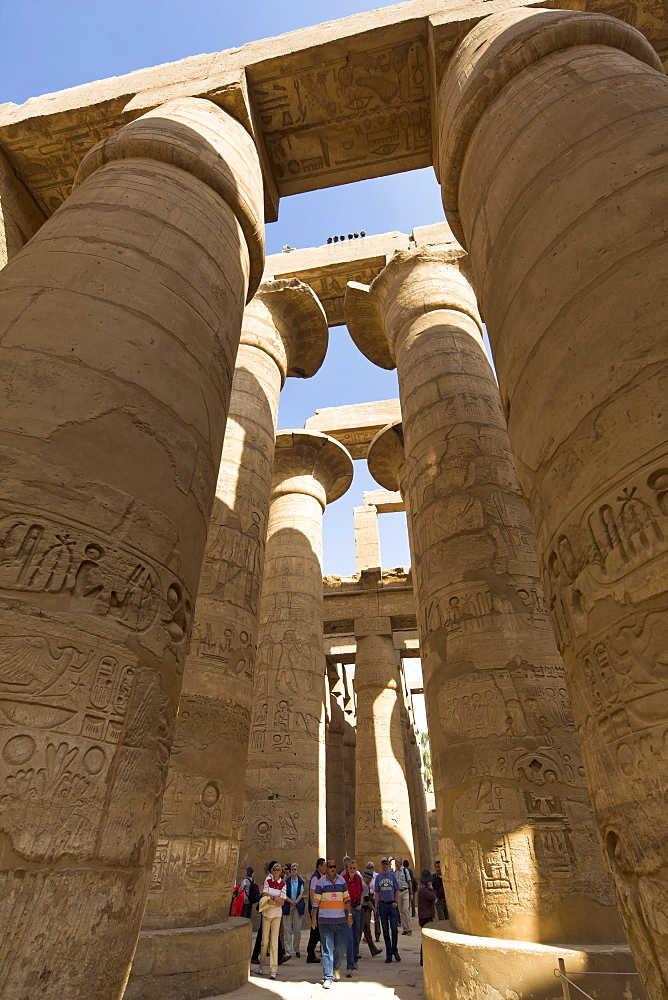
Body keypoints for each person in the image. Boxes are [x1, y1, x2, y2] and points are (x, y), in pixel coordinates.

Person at [311, 859, 353, 989]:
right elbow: (315, 902)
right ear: (326, 868)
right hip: (325, 921)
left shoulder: (342, 881)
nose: (332, 869)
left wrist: (349, 915)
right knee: (327, 949)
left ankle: (335, 968)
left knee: (340, 948)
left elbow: (346, 898)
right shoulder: (320, 882)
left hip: (340, 921)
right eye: (330, 867)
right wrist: (314, 918)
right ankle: (327, 977)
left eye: (334, 866)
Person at [258, 861, 287, 980]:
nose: (276, 872)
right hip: (267, 913)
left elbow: (282, 901)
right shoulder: (268, 881)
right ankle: (262, 963)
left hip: (276, 915)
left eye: (278, 870)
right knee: (264, 941)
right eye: (274, 870)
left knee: (274, 943)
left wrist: (273, 899)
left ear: (280, 872)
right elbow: (265, 893)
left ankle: (273, 969)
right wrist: (275, 899)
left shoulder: (283, 884)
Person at [374, 857, 401, 963]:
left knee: (394, 929)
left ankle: (395, 950)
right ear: (381, 865)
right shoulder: (378, 877)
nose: (385, 865)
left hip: (391, 905)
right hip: (383, 905)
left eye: (386, 864)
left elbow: (397, 890)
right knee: (385, 931)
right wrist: (376, 907)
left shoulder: (392, 876)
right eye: (383, 864)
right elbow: (377, 893)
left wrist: (396, 902)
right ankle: (389, 954)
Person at [342, 859, 363, 976]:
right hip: (347, 910)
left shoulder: (358, 879)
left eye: (354, 868)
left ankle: (355, 958)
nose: (352, 870)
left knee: (356, 936)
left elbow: (361, 891)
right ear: (347, 869)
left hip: (356, 909)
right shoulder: (343, 879)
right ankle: (349, 966)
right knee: (349, 938)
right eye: (350, 868)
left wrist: (360, 903)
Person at [306, 858, 327, 963]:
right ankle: (310, 953)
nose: (325, 867)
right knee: (315, 931)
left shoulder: (321, 876)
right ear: (319, 866)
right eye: (324, 865)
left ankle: (312, 952)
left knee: (317, 931)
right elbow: (312, 893)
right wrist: (314, 907)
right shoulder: (315, 877)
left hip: (320, 908)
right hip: (317, 908)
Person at [282, 862, 305, 958]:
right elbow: (284, 894)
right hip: (288, 906)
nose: (294, 871)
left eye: (295, 869)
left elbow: (301, 893)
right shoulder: (286, 882)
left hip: (297, 907)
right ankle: (288, 951)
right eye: (292, 869)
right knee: (287, 929)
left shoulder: (300, 881)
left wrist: (295, 902)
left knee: (297, 929)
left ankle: (297, 948)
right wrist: (291, 902)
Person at [417, 870, 438, 966]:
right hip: (426, 916)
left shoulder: (422, 889)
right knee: (425, 940)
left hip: (424, 915)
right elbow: (433, 897)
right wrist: (431, 888)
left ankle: (423, 959)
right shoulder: (424, 889)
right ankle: (423, 959)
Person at [360, 869, 382, 957]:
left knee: (367, 930)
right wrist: (373, 908)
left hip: (364, 909)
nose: (370, 880)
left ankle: (373, 949)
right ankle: (354, 951)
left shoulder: (365, 884)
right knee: (359, 931)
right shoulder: (364, 885)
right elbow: (366, 900)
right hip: (362, 909)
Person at [391, 857, 413, 935]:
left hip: (405, 891)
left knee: (406, 909)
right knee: (401, 911)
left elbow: (409, 882)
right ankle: (405, 928)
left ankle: (409, 928)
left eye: (396, 862)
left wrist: (411, 893)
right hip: (398, 892)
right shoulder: (395, 872)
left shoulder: (405, 871)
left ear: (400, 863)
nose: (395, 864)